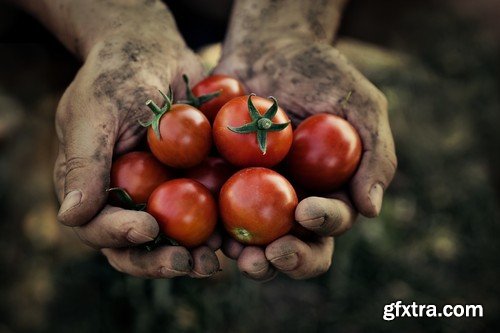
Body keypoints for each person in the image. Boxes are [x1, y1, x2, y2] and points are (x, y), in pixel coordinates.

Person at [10, 0, 396, 280]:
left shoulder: (235, 128)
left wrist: (285, 29)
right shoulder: (228, 127)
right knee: (60, 91)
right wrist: (120, 31)